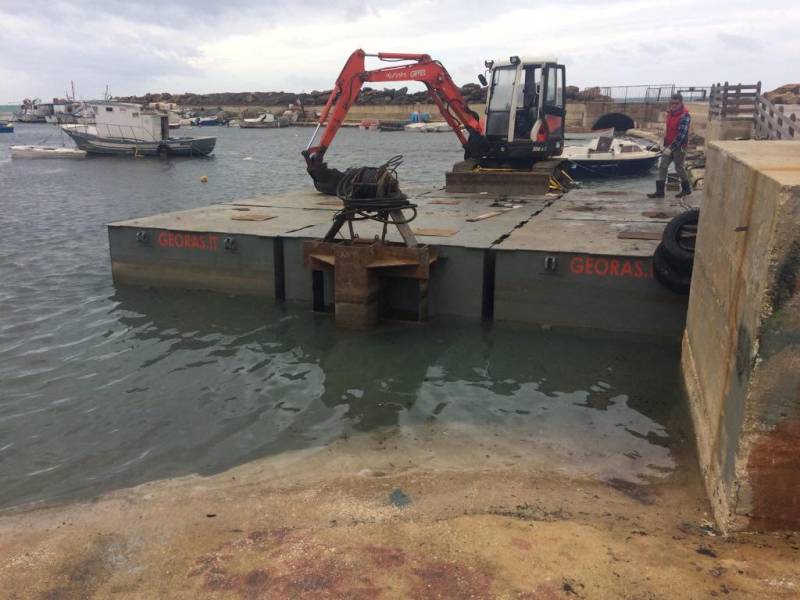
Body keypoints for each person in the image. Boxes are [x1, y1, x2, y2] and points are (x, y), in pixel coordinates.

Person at [648, 93, 692, 198]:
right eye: (672, 103)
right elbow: (667, 130)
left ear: (681, 103)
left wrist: (670, 149)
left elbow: (681, 136)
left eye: (676, 103)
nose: (674, 105)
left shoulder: (684, 116)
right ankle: (660, 192)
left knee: (679, 167)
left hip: (679, 147)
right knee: (662, 166)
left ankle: (686, 189)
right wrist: (662, 142)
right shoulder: (670, 114)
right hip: (668, 144)